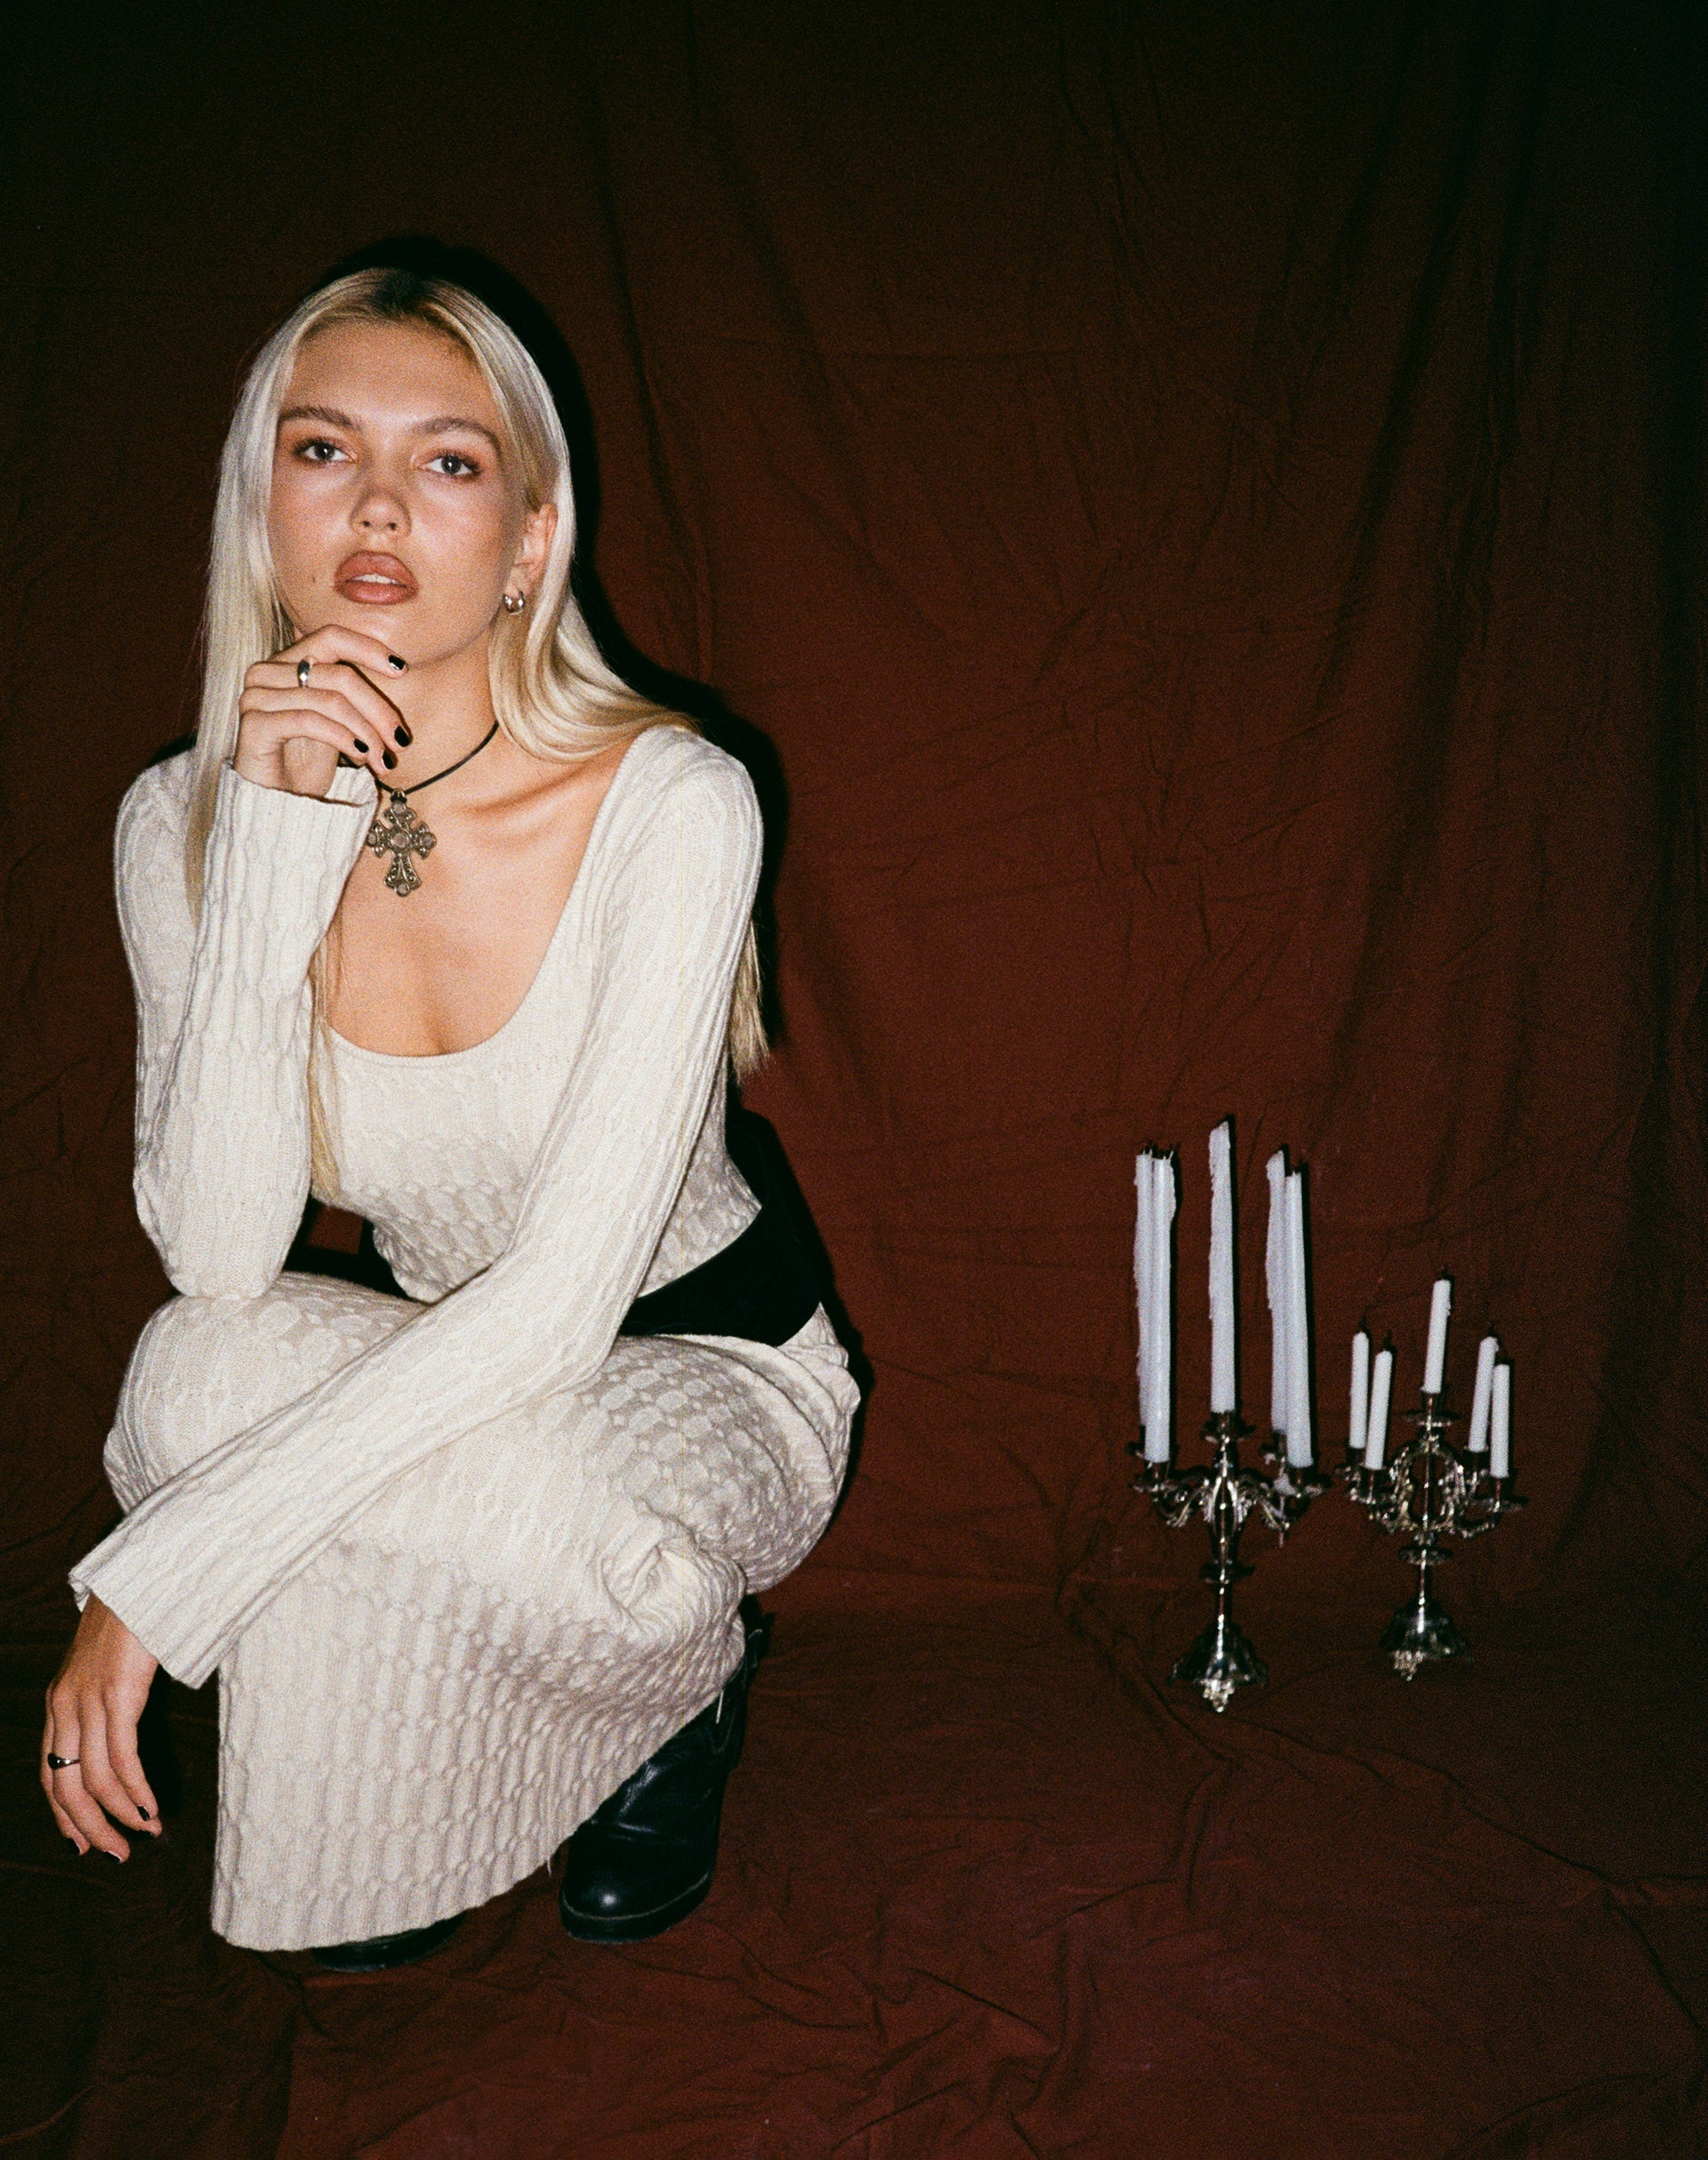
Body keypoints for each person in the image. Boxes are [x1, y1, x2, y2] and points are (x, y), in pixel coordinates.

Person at [39, 267, 859, 1971]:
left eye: (452, 462)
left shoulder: (671, 803)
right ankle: (431, 1745)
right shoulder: (173, 824)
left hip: (707, 1369)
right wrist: (270, 850)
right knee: (189, 1371)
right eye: (323, 449)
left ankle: (675, 1691)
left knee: (545, 1485)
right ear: (261, 510)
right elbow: (221, 1253)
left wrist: (165, 1572)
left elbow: (559, 1309)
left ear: (533, 542)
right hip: (442, 1371)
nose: (380, 507)